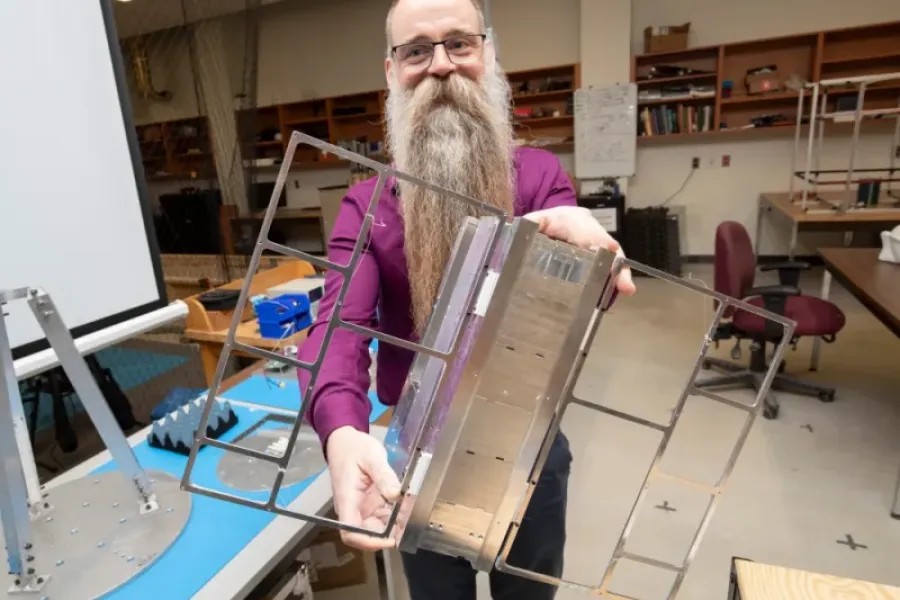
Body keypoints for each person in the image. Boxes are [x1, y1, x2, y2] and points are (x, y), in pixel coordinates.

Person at [297, 0, 636, 597]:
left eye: (460, 44)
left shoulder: (538, 179)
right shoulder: (367, 206)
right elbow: (338, 326)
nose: (441, 68)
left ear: (488, 54)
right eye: (417, 51)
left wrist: (589, 263)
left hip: (529, 446)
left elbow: (585, 300)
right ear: (391, 71)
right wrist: (342, 431)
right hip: (413, 458)